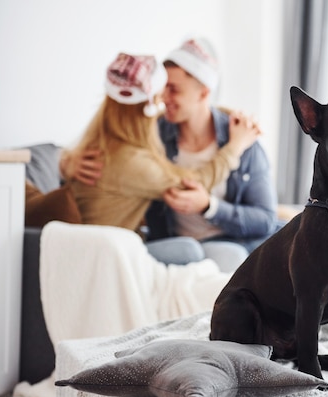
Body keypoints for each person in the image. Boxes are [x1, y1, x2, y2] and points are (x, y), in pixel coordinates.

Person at [67, 52, 260, 257]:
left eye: (173, 90)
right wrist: (234, 147)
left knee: (277, 228)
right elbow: (194, 183)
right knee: (189, 252)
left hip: (102, 246)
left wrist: (66, 162)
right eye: (161, 96)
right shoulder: (133, 161)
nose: (165, 101)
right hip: (108, 255)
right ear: (147, 109)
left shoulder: (99, 142)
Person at [144, 37, 279, 268]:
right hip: (179, 245)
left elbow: (265, 219)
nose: (163, 98)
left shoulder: (243, 140)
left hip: (235, 241)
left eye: (173, 89)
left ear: (203, 93)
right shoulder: (153, 135)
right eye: (162, 88)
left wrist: (209, 206)